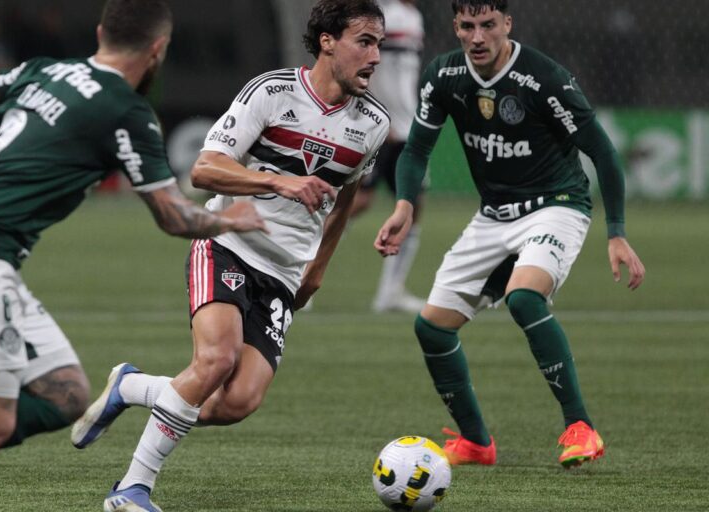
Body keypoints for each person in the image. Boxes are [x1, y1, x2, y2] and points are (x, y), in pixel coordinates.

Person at [0, 1, 265, 510]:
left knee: (65, 395)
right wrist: (231, 220)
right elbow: (174, 217)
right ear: (158, 50)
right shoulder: (124, 111)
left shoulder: (45, 71)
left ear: (102, 32)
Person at [70, 1, 391, 510]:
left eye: (379, 43)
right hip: (229, 244)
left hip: (285, 273)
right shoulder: (272, 92)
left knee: (238, 402)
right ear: (328, 41)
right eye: (365, 41)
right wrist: (277, 181)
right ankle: (131, 490)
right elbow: (204, 169)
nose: (376, 55)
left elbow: (346, 192)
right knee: (215, 361)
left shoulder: (372, 123)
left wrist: (319, 266)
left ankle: (132, 387)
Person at [374, 0, 646, 468]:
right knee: (432, 329)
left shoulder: (545, 78)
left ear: (507, 25)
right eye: (467, 26)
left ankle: (581, 429)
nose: (477, 37)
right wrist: (403, 205)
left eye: (488, 25)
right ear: (454, 27)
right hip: (493, 215)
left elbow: (602, 152)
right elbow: (416, 149)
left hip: (556, 206)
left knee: (524, 299)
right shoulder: (444, 76)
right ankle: (477, 442)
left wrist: (616, 232)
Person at [350, 0, 427, 313]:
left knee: (412, 206)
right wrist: (382, 115)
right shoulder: (387, 15)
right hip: (381, 126)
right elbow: (367, 63)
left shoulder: (412, 16)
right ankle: (301, 269)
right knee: (356, 201)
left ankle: (390, 292)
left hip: (406, 126)